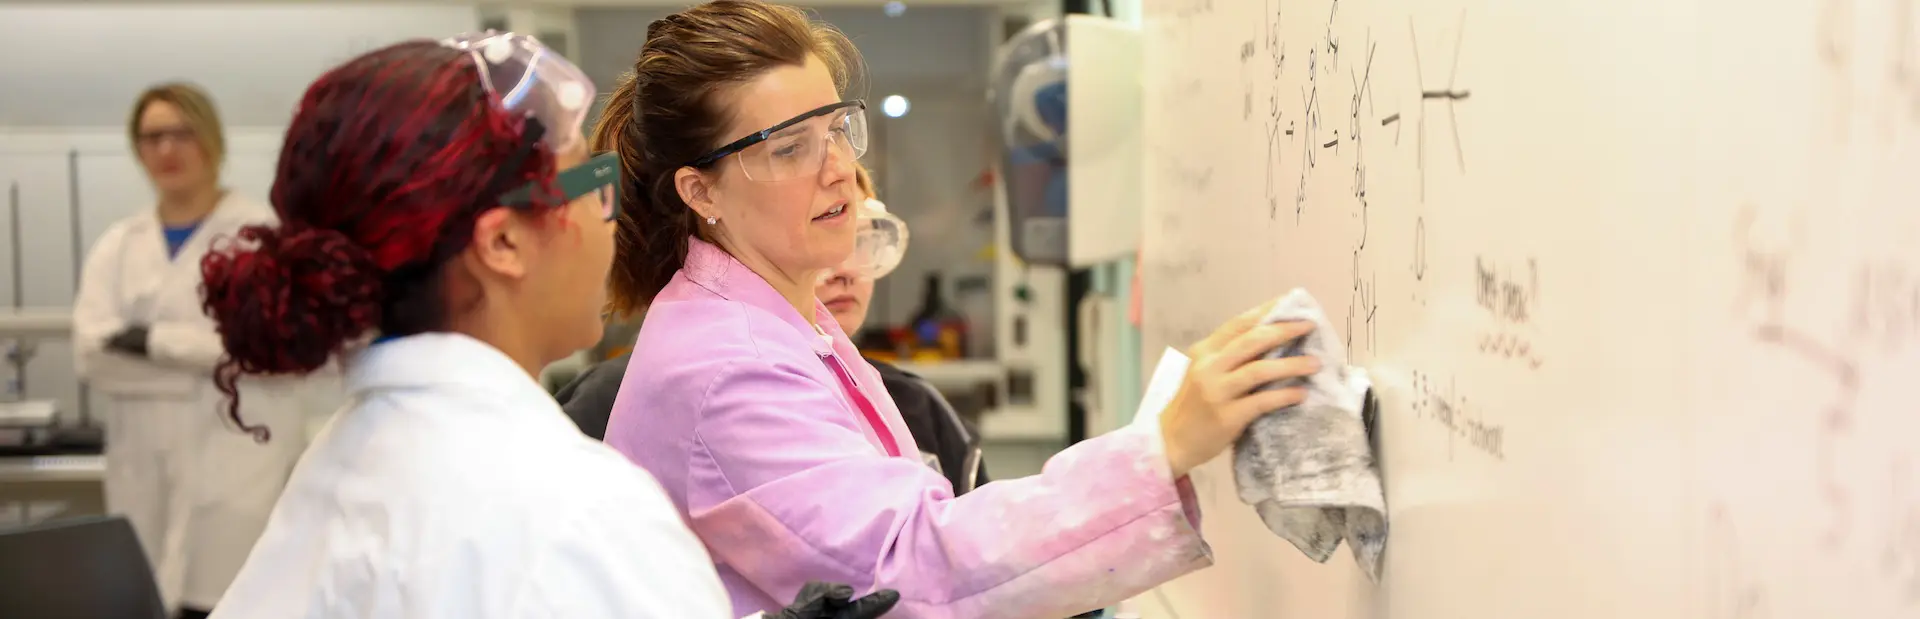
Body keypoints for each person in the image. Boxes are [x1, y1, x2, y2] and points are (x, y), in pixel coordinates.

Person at [594, 2, 1321, 617]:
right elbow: (909, 566)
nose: (839, 167)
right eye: (789, 148)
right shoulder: (726, 365)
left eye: (838, 127)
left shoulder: (781, 318)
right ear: (702, 192)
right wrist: (1163, 447)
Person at [194, 32, 894, 619]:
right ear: (502, 244)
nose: (607, 216)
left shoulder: (337, 464)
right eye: (586, 185)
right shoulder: (571, 511)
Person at [557, 165, 989, 495]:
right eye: (822, 230)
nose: (843, 271)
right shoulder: (627, 397)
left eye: (860, 240)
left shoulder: (915, 409)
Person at [71, 82, 329, 619]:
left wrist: (152, 343)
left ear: (211, 139)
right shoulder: (119, 245)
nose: (167, 149)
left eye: (181, 133)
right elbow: (91, 356)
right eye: (152, 137)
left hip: (237, 468)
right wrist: (215, 361)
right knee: (142, 600)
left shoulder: (262, 237)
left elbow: (282, 354)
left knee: (234, 600)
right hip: (145, 471)